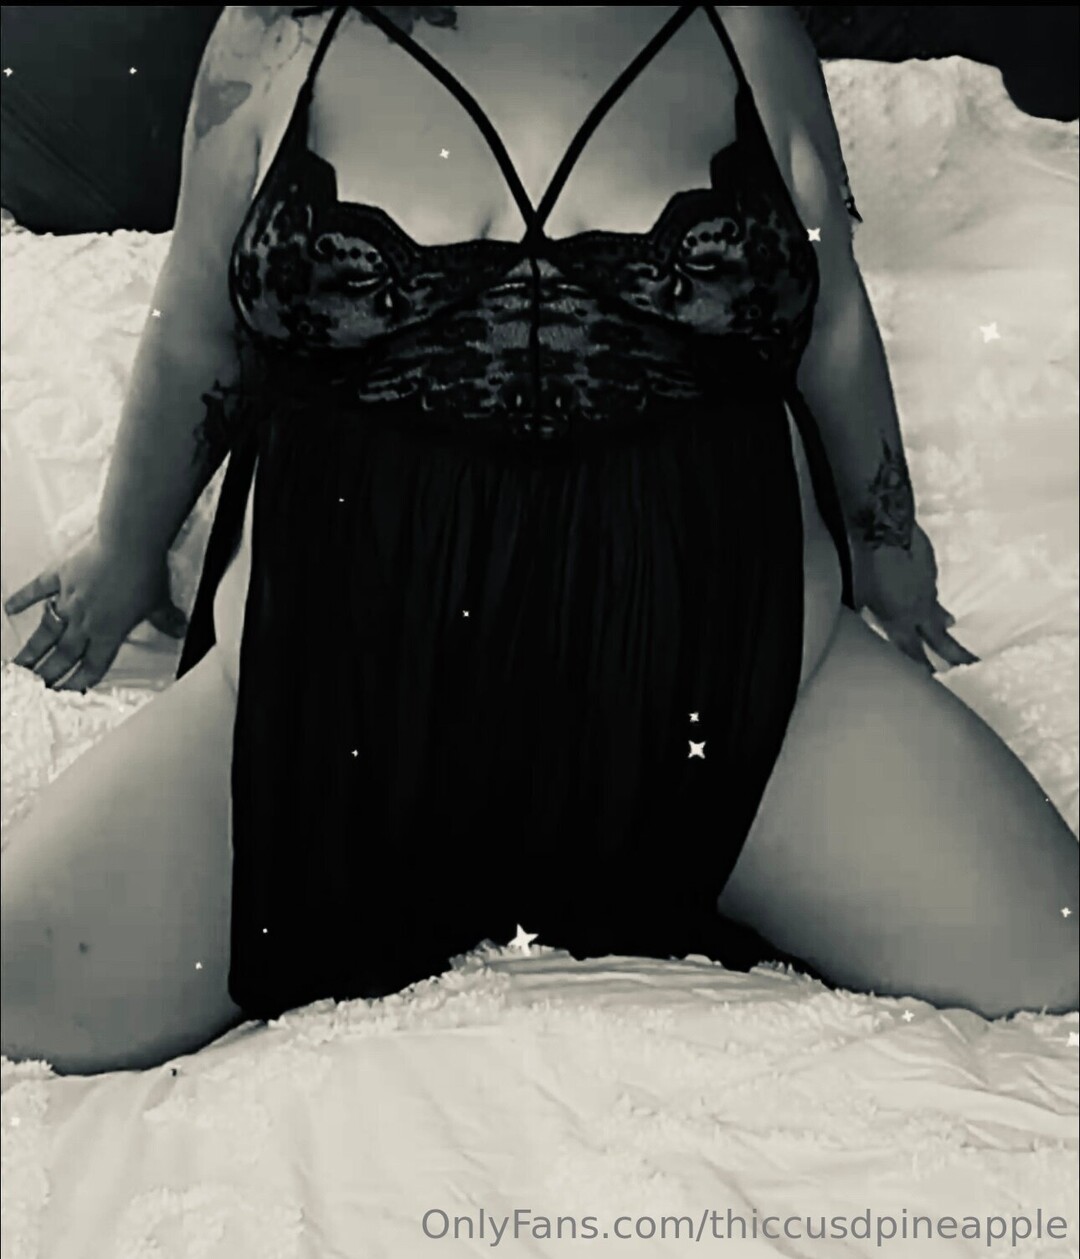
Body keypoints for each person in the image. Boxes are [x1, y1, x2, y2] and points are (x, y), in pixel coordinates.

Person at [2, 5, 1076, 1077]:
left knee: (1054, 954)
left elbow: (830, 319)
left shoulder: (745, 30)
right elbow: (197, 333)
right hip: (328, 720)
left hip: (732, 707)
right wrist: (125, 551)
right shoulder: (275, 37)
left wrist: (889, 545)